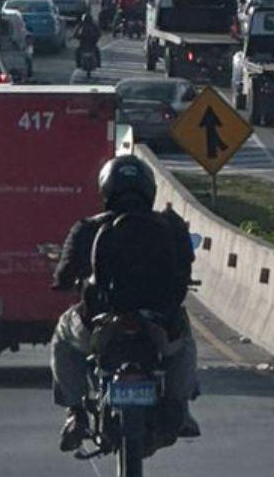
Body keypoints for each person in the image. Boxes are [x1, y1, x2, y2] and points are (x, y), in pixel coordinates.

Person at [50, 155, 198, 451]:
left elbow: (63, 276)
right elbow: (185, 270)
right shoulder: (172, 226)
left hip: (99, 323)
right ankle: (180, 408)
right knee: (185, 343)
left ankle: (75, 412)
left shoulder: (86, 228)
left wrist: (66, 281)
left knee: (62, 338)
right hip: (160, 322)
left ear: (106, 188)